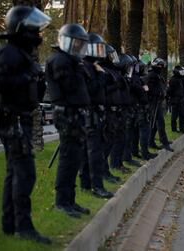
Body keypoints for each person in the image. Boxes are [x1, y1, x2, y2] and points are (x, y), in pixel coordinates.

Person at [0, 5, 52, 243]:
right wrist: (29, 77)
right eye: (34, 28)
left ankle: (9, 224)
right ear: (22, 28)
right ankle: (23, 226)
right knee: (24, 173)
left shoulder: (22, 54)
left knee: (13, 173)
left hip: (20, 119)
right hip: (13, 121)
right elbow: (0, 86)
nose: (38, 33)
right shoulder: (8, 53)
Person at [46, 23, 91, 218]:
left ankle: (70, 200)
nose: (78, 48)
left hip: (75, 113)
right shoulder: (60, 61)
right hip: (66, 113)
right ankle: (62, 202)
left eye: (80, 45)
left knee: (75, 158)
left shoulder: (70, 61)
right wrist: (79, 67)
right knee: (68, 157)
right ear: (66, 42)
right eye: (76, 44)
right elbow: (71, 85)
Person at [79, 32, 114, 198]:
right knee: (94, 151)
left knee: (91, 150)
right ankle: (96, 186)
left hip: (95, 113)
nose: (100, 52)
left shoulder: (91, 66)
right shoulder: (86, 67)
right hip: (90, 114)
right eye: (97, 48)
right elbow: (92, 90)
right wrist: (100, 74)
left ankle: (86, 184)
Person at [146, 58, 173, 151]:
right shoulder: (151, 75)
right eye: (160, 66)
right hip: (153, 103)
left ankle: (151, 142)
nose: (161, 68)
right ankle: (164, 143)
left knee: (155, 124)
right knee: (159, 123)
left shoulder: (157, 75)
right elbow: (148, 89)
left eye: (162, 66)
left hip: (158, 102)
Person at [168, 65, 184, 133]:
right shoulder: (173, 79)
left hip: (181, 99)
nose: (182, 73)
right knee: (174, 115)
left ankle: (182, 128)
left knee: (182, 115)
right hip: (175, 100)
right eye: (181, 71)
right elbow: (170, 90)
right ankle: (174, 128)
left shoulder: (181, 79)